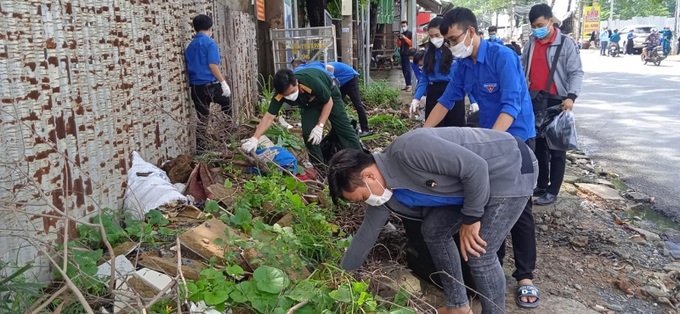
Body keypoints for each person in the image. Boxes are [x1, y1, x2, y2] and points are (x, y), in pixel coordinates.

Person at [330, 127, 537, 314]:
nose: (369, 201)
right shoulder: (384, 195)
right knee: (434, 230)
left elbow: (476, 168)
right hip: (470, 190)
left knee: (479, 252)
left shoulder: (409, 150)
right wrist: (340, 277)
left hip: (509, 168)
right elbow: (365, 235)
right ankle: (458, 305)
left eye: (363, 197)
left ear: (368, 176)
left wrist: (472, 219)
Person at [423, 7, 540, 309]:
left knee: (520, 209)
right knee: (490, 206)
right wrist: (421, 134)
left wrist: (491, 144)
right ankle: (491, 274)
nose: (450, 46)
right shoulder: (463, 64)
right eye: (446, 41)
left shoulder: (503, 58)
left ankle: (525, 276)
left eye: (452, 39)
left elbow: (511, 104)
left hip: (516, 139)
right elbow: (447, 100)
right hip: (490, 139)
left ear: (471, 32)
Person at [522, 3, 583, 207]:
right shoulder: (530, 44)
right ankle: (541, 184)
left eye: (540, 24)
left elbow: (576, 72)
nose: (537, 29)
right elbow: (523, 69)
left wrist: (571, 97)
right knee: (538, 145)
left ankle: (553, 190)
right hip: (534, 99)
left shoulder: (565, 43)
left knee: (557, 148)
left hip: (558, 100)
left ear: (551, 21)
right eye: (534, 26)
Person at [240, 68, 362, 163]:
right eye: (286, 95)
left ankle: (361, 160)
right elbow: (269, 116)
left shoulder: (310, 81)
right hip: (308, 103)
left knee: (343, 129)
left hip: (329, 95)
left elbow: (328, 102)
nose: (290, 96)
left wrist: (320, 126)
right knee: (308, 134)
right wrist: (255, 138)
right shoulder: (279, 94)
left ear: (296, 83)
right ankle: (320, 166)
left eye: (292, 92)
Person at [410, 17, 474, 128]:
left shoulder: (456, 51)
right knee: (434, 131)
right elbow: (424, 79)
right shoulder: (428, 54)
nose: (434, 39)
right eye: (431, 36)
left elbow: (467, 78)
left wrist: (473, 100)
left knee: (454, 130)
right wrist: (416, 98)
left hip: (454, 91)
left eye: (437, 35)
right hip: (434, 93)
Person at [185, 14, 232, 152]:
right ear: (210, 28)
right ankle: (229, 135)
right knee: (227, 101)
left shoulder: (190, 46)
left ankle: (201, 149)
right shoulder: (210, 44)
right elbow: (212, 65)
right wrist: (223, 82)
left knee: (202, 120)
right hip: (210, 86)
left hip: (196, 88)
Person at [328, 61, 371, 137]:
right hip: (342, 82)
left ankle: (365, 129)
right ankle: (341, 128)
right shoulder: (318, 67)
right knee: (337, 105)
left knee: (357, 104)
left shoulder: (323, 67)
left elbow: (331, 70)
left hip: (350, 78)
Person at [395, 20, 413, 92]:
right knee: (404, 69)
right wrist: (399, 39)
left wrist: (404, 38)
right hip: (402, 53)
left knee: (408, 69)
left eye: (404, 26)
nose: (403, 27)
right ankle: (407, 84)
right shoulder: (401, 34)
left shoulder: (410, 33)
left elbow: (411, 43)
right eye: (402, 26)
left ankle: (409, 85)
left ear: (407, 26)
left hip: (408, 53)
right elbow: (398, 45)